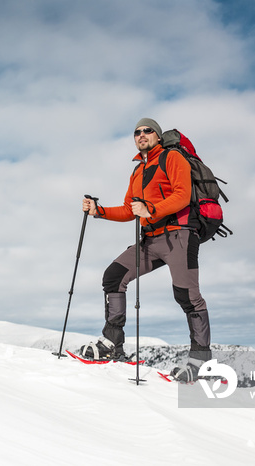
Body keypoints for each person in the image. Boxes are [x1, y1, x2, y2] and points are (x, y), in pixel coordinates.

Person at [80, 117, 211, 382]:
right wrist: (99, 211)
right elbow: (130, 210)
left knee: (187, 295)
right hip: (150, 240)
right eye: (137, 131)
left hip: (179, 236)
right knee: (114, 276)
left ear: (157, 136)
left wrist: (151, 209)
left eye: (147, 130)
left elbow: (182, 195)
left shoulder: (172, 158)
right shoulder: (138, 170)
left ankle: (201, 362)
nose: (141, 134)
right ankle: (112, 343)